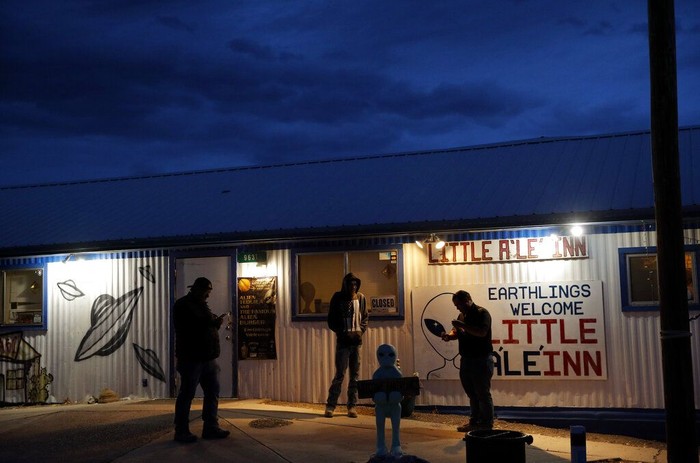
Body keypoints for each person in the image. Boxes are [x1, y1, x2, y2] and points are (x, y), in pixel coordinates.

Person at [173, 277, 230, 443]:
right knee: (187, 394)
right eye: (206, 292)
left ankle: (211, 427)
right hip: (191, 358)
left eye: (209, 292)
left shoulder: (201, 304)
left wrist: (215, 323)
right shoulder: (183, 305)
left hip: (208, 358)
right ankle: (181, 430)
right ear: (197, 289)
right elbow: (192, 327)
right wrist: (211, 322)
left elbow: (205, 325)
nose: (208, 295)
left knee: (212, 392)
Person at [441, 290, 494, 432]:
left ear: (468, 300)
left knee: (482, 393)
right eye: (456, 305)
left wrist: (462, 325)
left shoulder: (482, 313)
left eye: (459, 305)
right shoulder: (461, 316)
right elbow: (456, 332)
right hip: (466, 359)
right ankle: (474, 422)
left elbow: (482, 332)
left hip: (481, 359)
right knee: (471, 393)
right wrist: (449, 336)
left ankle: (486, 424)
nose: (458, 308)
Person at [324, 272, 369, 418]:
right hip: (343, 343)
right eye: (351, 283)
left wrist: (360, 331)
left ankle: (352, 406)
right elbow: (331, 320)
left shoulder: (361, 298)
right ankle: (330, 406)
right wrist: (341, 332)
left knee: (354, 376)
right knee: (340, 375)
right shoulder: (337, 297)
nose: (353, 286)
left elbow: (365, 317)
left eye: (355, 284)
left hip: (356, 343)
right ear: (345, 284)